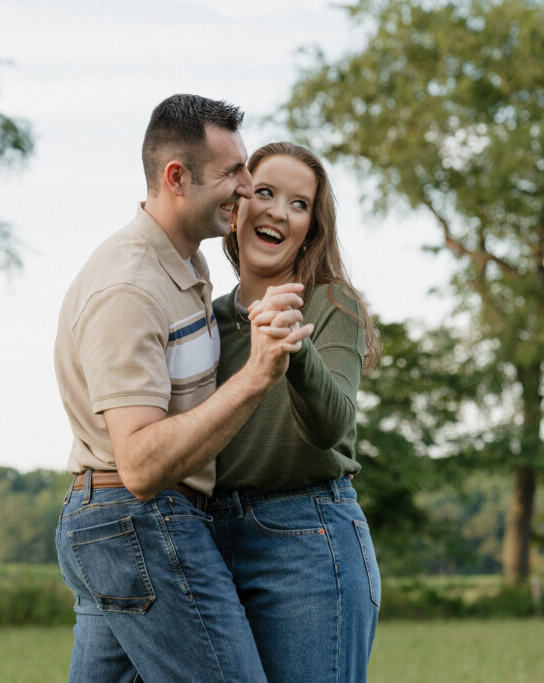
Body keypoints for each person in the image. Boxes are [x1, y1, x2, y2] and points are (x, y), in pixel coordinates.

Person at [52, 96, 313, 682]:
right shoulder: (129, 286)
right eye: (232, 173)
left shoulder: (184, 265)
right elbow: (141, 463)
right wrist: (257, 375)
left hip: (126, 523)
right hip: (139, 520)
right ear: (177, 178)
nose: (248, 188)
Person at [210, 142, 383, 682]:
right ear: (236, 207)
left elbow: (334, 427)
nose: (278, 212)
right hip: (207, 540)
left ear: (311, 228)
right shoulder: (204, 321)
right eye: (264, 193)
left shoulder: (332, 305)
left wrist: (294, 347)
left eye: (299, 204)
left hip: (308, 541)